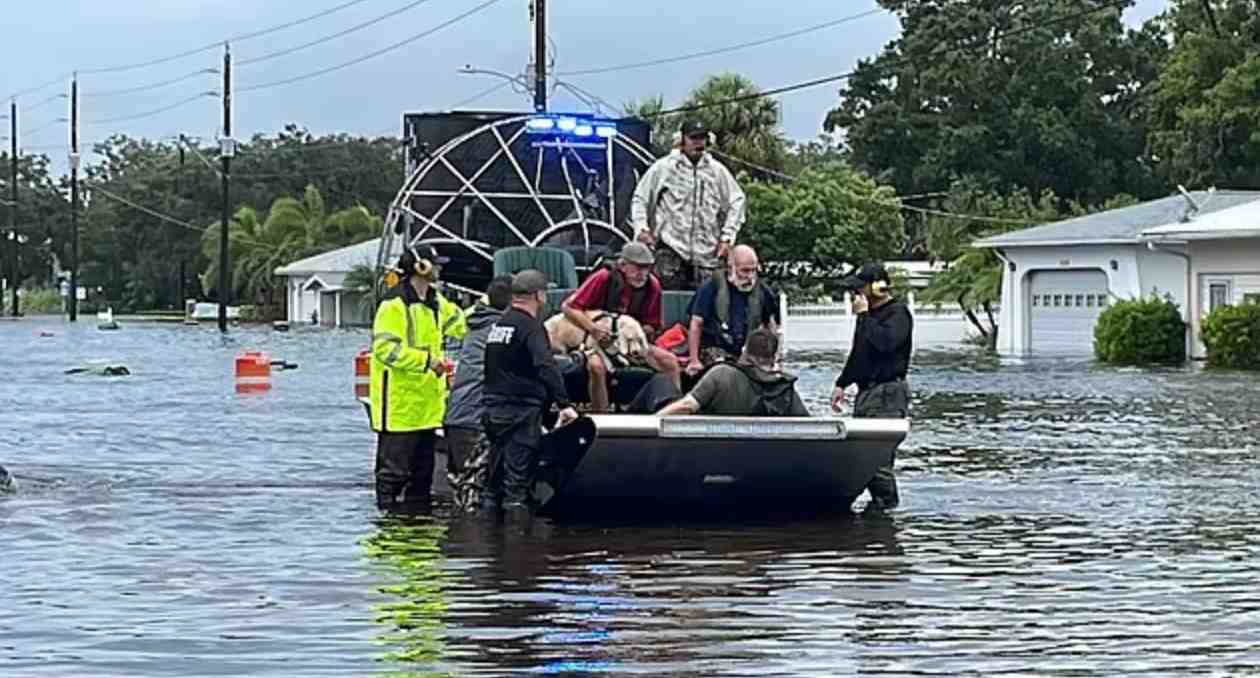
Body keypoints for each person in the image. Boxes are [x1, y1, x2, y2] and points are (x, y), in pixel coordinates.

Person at [370, 244, 468, 510]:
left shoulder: (436, 302)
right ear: (421, 267)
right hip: (399, 409)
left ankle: (418, 531)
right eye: (435, 264)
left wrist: (489, 307)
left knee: (421, 479)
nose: (440, 268)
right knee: (393, 476)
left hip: (427, 409)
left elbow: (461, 325)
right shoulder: (394, 304)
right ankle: (389, 527)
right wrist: (426, 361)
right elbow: (385, 350)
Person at [482, 269, 580, 515]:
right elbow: (544, 365)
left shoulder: (500, 325)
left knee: (494, 482)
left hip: (493, 411)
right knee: (517, 486)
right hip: (521, 412)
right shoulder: (531, 327)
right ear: (540, 296)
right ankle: (519, 547)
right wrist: (564, 403)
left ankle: (485, 544)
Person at [830, 263, 913, 513]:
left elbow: (885, 344)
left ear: (877, 287)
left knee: (877, 460)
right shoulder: (866, 319)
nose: (856, 295)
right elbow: (860, 353)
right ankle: (878, 508)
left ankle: (887, 508)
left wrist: (865, 316)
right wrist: (842, 383)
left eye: (860, 289)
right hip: (867, 392)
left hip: (888, 392)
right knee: (861, 456)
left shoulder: (898, 314)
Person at [560, 241, 681, 412]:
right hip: (594, 340)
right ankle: (600, 421)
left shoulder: (652, 286)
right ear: (623, 265)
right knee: (596, 368)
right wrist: (593, 329)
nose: (643, 274)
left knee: (670, 362)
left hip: (630, 343)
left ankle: (673, 413)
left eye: (647, 268)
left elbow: (652, 325)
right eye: (638, 268)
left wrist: (639, 334)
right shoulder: (603, 277)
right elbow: (569, 307)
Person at [631, 119, 747, 290]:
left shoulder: (717, 171)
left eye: (702, 138)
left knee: (707, 308)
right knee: (667, 304)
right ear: (682, 140)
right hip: (670, 251)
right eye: (693, 138)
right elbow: (640, 198)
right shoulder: (664, 168)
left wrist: (727, 238)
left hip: (707, 254)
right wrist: (642, 229)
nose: (698, 143)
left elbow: (737, 201)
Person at [442, 275, 513, 511]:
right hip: (474, 421)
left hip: (457, 418)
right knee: (475, 500)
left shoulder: (477, 324)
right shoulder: (502, 331)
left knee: (463, 497)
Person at [657, 328, 809, 417]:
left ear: (744, 350)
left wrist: (651, 421)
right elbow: (807, 426)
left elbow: (687, 406)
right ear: (775, 357)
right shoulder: (785, 388)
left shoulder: (721, 374)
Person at [686, 244, 780, 375]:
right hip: (714, 349)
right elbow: (696, 323)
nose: (750, 276)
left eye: (754, 271)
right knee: (723, 371)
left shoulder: (763, 292)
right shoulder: (711, 287)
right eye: (745, 271)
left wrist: (773, 359)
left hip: (746, 351)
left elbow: (771, 326)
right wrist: (694, 360)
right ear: (731, 268)